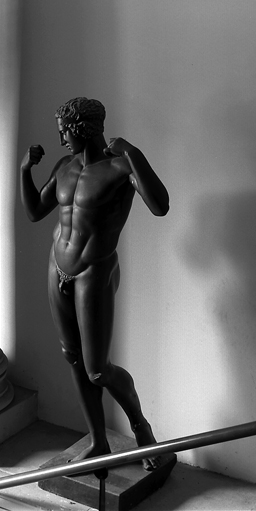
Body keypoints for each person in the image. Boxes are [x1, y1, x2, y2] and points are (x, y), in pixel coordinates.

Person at [20, 97, 169, 471]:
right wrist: (25, 171)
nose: (61, 139)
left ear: (83, 127)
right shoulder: (65, 166)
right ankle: (98, 441)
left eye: (65, 131)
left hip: (94, 272)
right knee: (73, 357)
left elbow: (160, 204)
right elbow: (36, 211)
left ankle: (142, 430)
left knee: (97, 369)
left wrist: (133, 152)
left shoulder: (121, 168)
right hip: (57, 269)